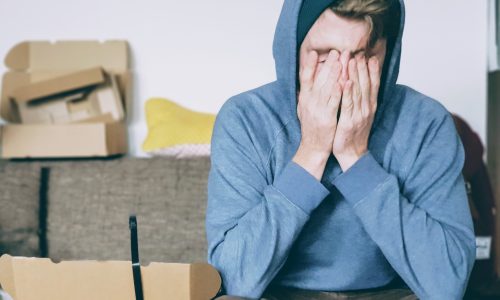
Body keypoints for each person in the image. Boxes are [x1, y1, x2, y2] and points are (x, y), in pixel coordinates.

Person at [205, 0, 476, 299]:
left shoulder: (426, 122)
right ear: (293, 50)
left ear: (388, 55)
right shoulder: (244, 118)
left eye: (362, 56)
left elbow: (447, 284)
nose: (344, 78)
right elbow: (232, 279)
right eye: (323, 57)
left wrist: (355, 158)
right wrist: (311, 153)